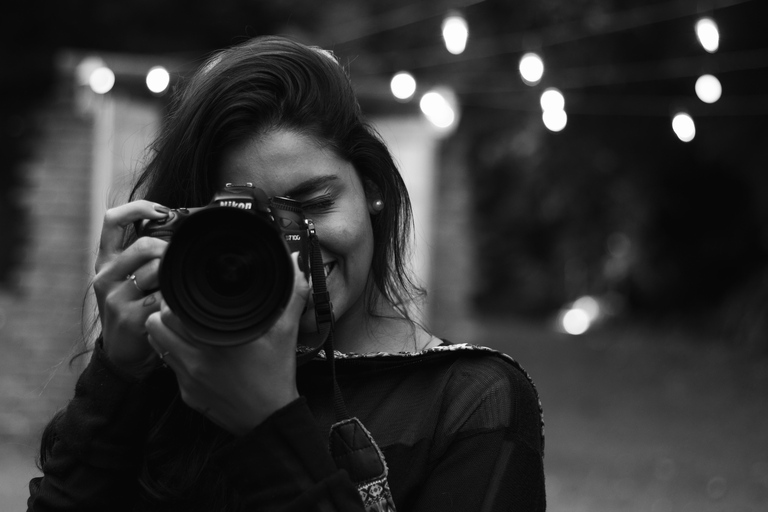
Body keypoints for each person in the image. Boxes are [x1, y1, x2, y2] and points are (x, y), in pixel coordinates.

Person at [28, 36, 546, 511]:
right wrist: (117, 375)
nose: (288, 246)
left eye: (314, 203)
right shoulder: (175, 381)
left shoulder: (468, 401)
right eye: (247, 222)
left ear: (372, 190)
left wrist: (268, 423)